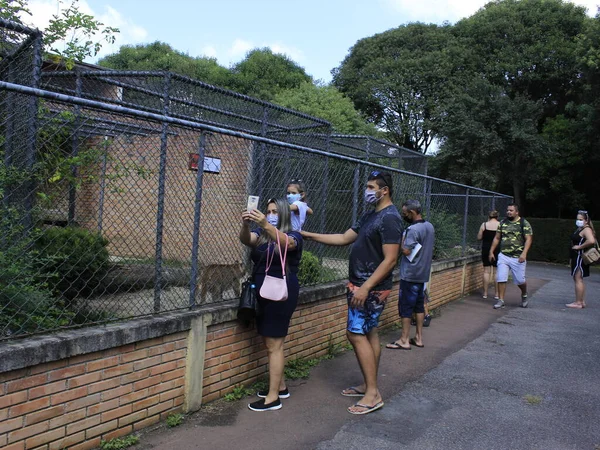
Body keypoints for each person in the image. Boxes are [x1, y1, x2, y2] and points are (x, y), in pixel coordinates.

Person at [301, 171, 402, 415]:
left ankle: (373, 394)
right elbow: (344, 237)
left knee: (354, 333)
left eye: (370, 186)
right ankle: (368, 385)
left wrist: (366, 287)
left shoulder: (390, 218)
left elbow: (390, 260)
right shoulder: (371, 215)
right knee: (369, 333)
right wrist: (304, 234)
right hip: (360, 284)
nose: (366, 190)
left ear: (384, 189)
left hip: (370, 288)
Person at [240, 198, 303, 411]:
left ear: (284, 213)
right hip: (263, 291)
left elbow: (287, 244)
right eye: (268, 211)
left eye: (275, 211)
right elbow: (247, 240)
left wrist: (266, 224)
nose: (270, 214)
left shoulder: (294, 235)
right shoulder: (263, 235)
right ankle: (281, 387)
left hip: (281, 293)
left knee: (274, 344)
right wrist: (246, 224)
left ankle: (273, 398)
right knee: (271, 342)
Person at [387, 200, 435, 350]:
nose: (404, 216)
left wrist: (401, 239)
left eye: (405, 213)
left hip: (410, 274)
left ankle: (404, 340)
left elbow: (407, 251)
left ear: (412, 212)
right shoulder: (429, 226)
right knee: (419, 306)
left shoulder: (413, 230)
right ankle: (419, 338)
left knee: (406, 307)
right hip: (423, 273)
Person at [488, 204, 533, 309]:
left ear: (517, 212)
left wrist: (524, 253)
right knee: (501, 277)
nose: (508, 212)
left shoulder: (523, 223)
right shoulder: (503, 223)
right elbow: (497, 238)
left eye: (511, 210)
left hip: (517, 257)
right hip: (504, 255)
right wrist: (491, 251)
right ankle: (501, 300)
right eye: (507, 210)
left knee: (520, 280)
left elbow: (529, 239)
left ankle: (524, 294)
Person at [566, 210, 596, 309]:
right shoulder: (580, 228)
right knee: (578, 279)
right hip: (576, 256)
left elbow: (591, 240)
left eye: (581, 219)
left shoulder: (586, 229)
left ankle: (578, 302)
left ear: (586, 220)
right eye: (577, 219)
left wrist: (579, 247)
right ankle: (581, 301)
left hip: (580, 256)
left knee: (578, 279)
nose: (578, 221)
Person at [477, 210, 500, 300]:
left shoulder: (484, 225)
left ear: (489, 216)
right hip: (497, 249)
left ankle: (485, 293)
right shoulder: (500, 225)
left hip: (486, 248)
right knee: (495, 272)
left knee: (486, 271)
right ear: (497, 217)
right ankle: (497, 294)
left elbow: (479, 237)